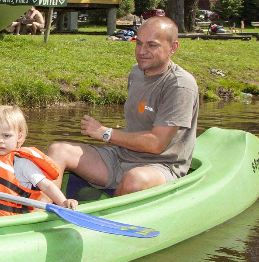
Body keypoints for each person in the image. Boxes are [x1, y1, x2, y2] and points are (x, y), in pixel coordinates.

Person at [46, 16, 199, 198]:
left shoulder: (180, 85)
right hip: (120, 156)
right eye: (139, 43)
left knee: (135, 179)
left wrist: (105, 133)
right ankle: (38, 214)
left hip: (161, 165)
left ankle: (104, 217)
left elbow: (156, 144)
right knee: (58, 150)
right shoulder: (136, 72)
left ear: (173, 47)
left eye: (152, 45)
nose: (142, 51)